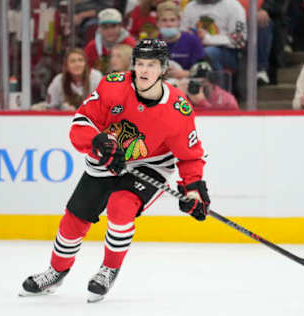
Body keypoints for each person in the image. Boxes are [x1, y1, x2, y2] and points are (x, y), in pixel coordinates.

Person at [19, 39, 211, 303]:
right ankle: (56, 271)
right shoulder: (114, 86)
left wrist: (194, 188)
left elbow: (189, 157)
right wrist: (98, 142)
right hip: (107, 157)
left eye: (151, 65)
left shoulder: (178, 109)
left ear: (164, 69)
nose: (143, 71)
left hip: (150, 164)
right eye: (140, 64)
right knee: (74, 219)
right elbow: (81, 124)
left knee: (121, 207)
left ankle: (109, 269)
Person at [181, 0, 247, 73]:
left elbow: (239, 41)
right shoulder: (190, 6)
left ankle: (219, 82)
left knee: (208, 52)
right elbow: (182, 33)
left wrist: (207, 39)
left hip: (227, 52)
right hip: (195, 47)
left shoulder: (233, 5)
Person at [157, 1, 205, 81]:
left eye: (172, 20)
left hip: (187, 84)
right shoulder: (153, 44)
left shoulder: (192, 40)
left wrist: (183, 73)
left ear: (179, 22)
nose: (169, 24)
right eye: (164, 20)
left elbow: (204, 73)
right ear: (157, 23)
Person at [84, 8, 136, 75]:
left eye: (113, 26)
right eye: (105, 27)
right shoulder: (92, 46)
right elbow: (85, 71)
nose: (109, 31)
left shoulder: (129, 44)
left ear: (120, 26)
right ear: (99, 28)